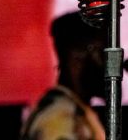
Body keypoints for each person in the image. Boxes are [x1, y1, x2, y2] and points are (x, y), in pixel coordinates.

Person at [21, 11, 106, 140]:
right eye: (102, 55)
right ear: (77, 56)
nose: (110, 67)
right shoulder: (60, 118)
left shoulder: (75, 111)